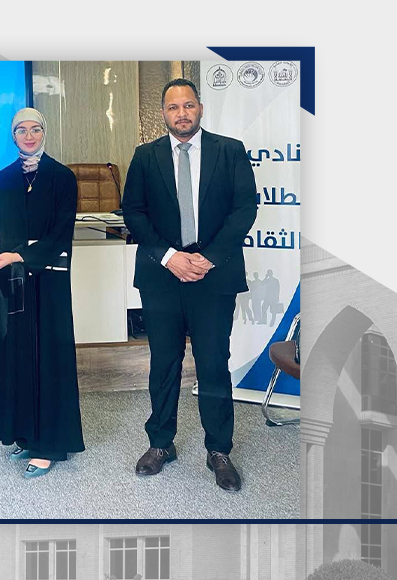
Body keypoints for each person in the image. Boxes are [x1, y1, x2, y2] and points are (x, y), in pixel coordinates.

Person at [121, 78, 257, 492]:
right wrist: (170, 257)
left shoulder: (229, 151)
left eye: (188, 105)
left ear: (200, 108)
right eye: (173, 107)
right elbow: (134, 212)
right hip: (161, 274)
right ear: (163, 113)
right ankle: (161, 443)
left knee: (213, 363)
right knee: (164, 362)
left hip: (213, 274)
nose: (181, 113)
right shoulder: (145, 156)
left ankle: (219, 450)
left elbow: (244, 208)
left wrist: (209, 257)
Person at [0, 107, 85, 479]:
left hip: (48, 278)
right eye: (21, 130)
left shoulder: (63, 177)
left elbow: (61, 233)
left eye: (35, 129)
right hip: (12, 279)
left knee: (49, 355)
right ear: (13, 136)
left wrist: (21, 255)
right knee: (18, 353)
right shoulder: (2, 178)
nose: (29, 136)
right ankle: (25, 434)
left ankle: (50, 444)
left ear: (44, 132)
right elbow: (0, 231)